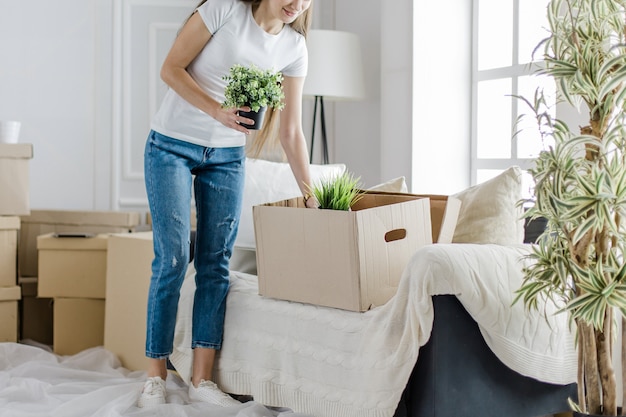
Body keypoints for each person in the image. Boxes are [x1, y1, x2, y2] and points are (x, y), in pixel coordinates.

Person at [138, 0, 315, 408]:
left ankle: (201, 380)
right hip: (170, 146)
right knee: (172, 259)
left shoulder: (294, 48)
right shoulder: (225, 11)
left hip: (227, 157)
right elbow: (171, 69)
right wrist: (217, 110)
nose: (297, 4)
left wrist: (310, 195)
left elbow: (291, 132)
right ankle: (155, 377)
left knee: (216, 264)